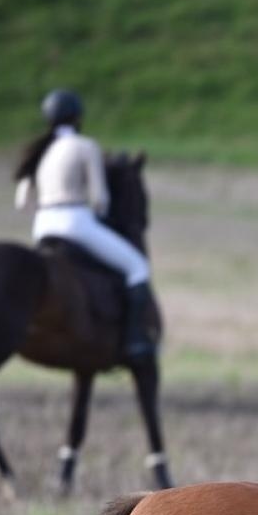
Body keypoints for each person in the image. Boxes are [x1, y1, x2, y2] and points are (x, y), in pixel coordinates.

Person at [14, 89, 154, 359]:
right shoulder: (85, 146)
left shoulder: (39, 149)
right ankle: (135, 339)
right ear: (77, 117)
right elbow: (100, 199)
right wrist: (98, 216)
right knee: (138, 267)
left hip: (42, 226)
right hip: (75, 222)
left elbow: (21, 202)